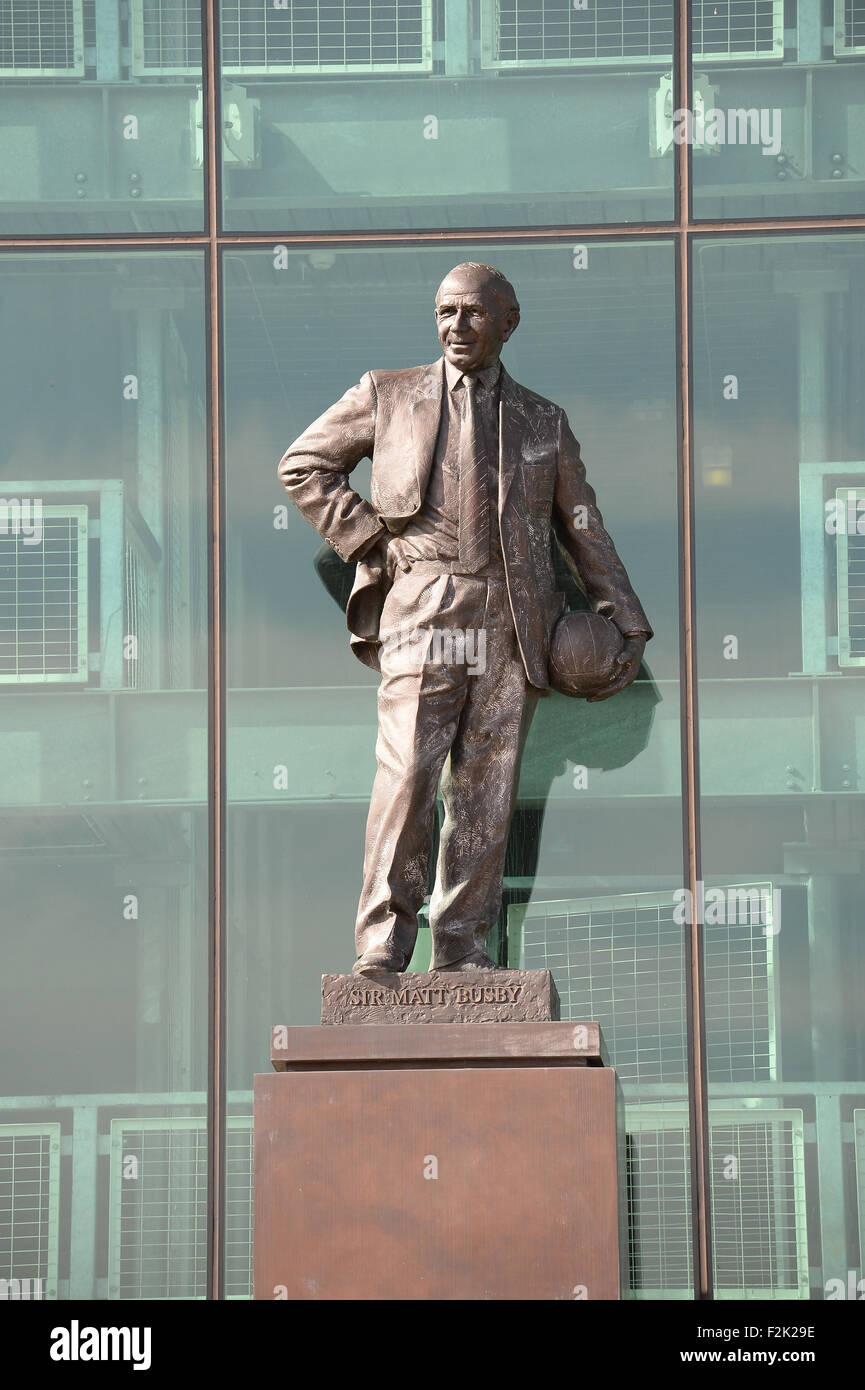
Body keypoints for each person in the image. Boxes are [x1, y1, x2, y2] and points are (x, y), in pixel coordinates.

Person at [278, 262, 652, 975]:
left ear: (507, 323)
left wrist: (624, 620)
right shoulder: (388, 394)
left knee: (485, 788)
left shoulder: (543, 421)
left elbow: (580, 524)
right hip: (422, 603)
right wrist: (370, 541)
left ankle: (462, 948)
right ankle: (382, 943)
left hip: (510, 616)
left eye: (474, 313)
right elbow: (304, 465)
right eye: (446, 312)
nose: (457, 326)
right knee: (407, 777)